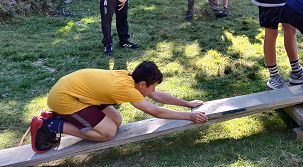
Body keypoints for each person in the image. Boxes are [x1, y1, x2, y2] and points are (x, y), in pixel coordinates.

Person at [30, 61, 208, 154]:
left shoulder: (131, 78)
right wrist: (189, 116)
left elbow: (158, 96)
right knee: (107, 133)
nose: (154, 90)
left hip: (78, 92)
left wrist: (187, 104)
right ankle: (51, 124)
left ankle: (60, 120)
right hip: (65, 99)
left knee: (116, 120)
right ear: (143, 84)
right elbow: (156, 110)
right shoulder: (127, 89)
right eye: (152, 86)